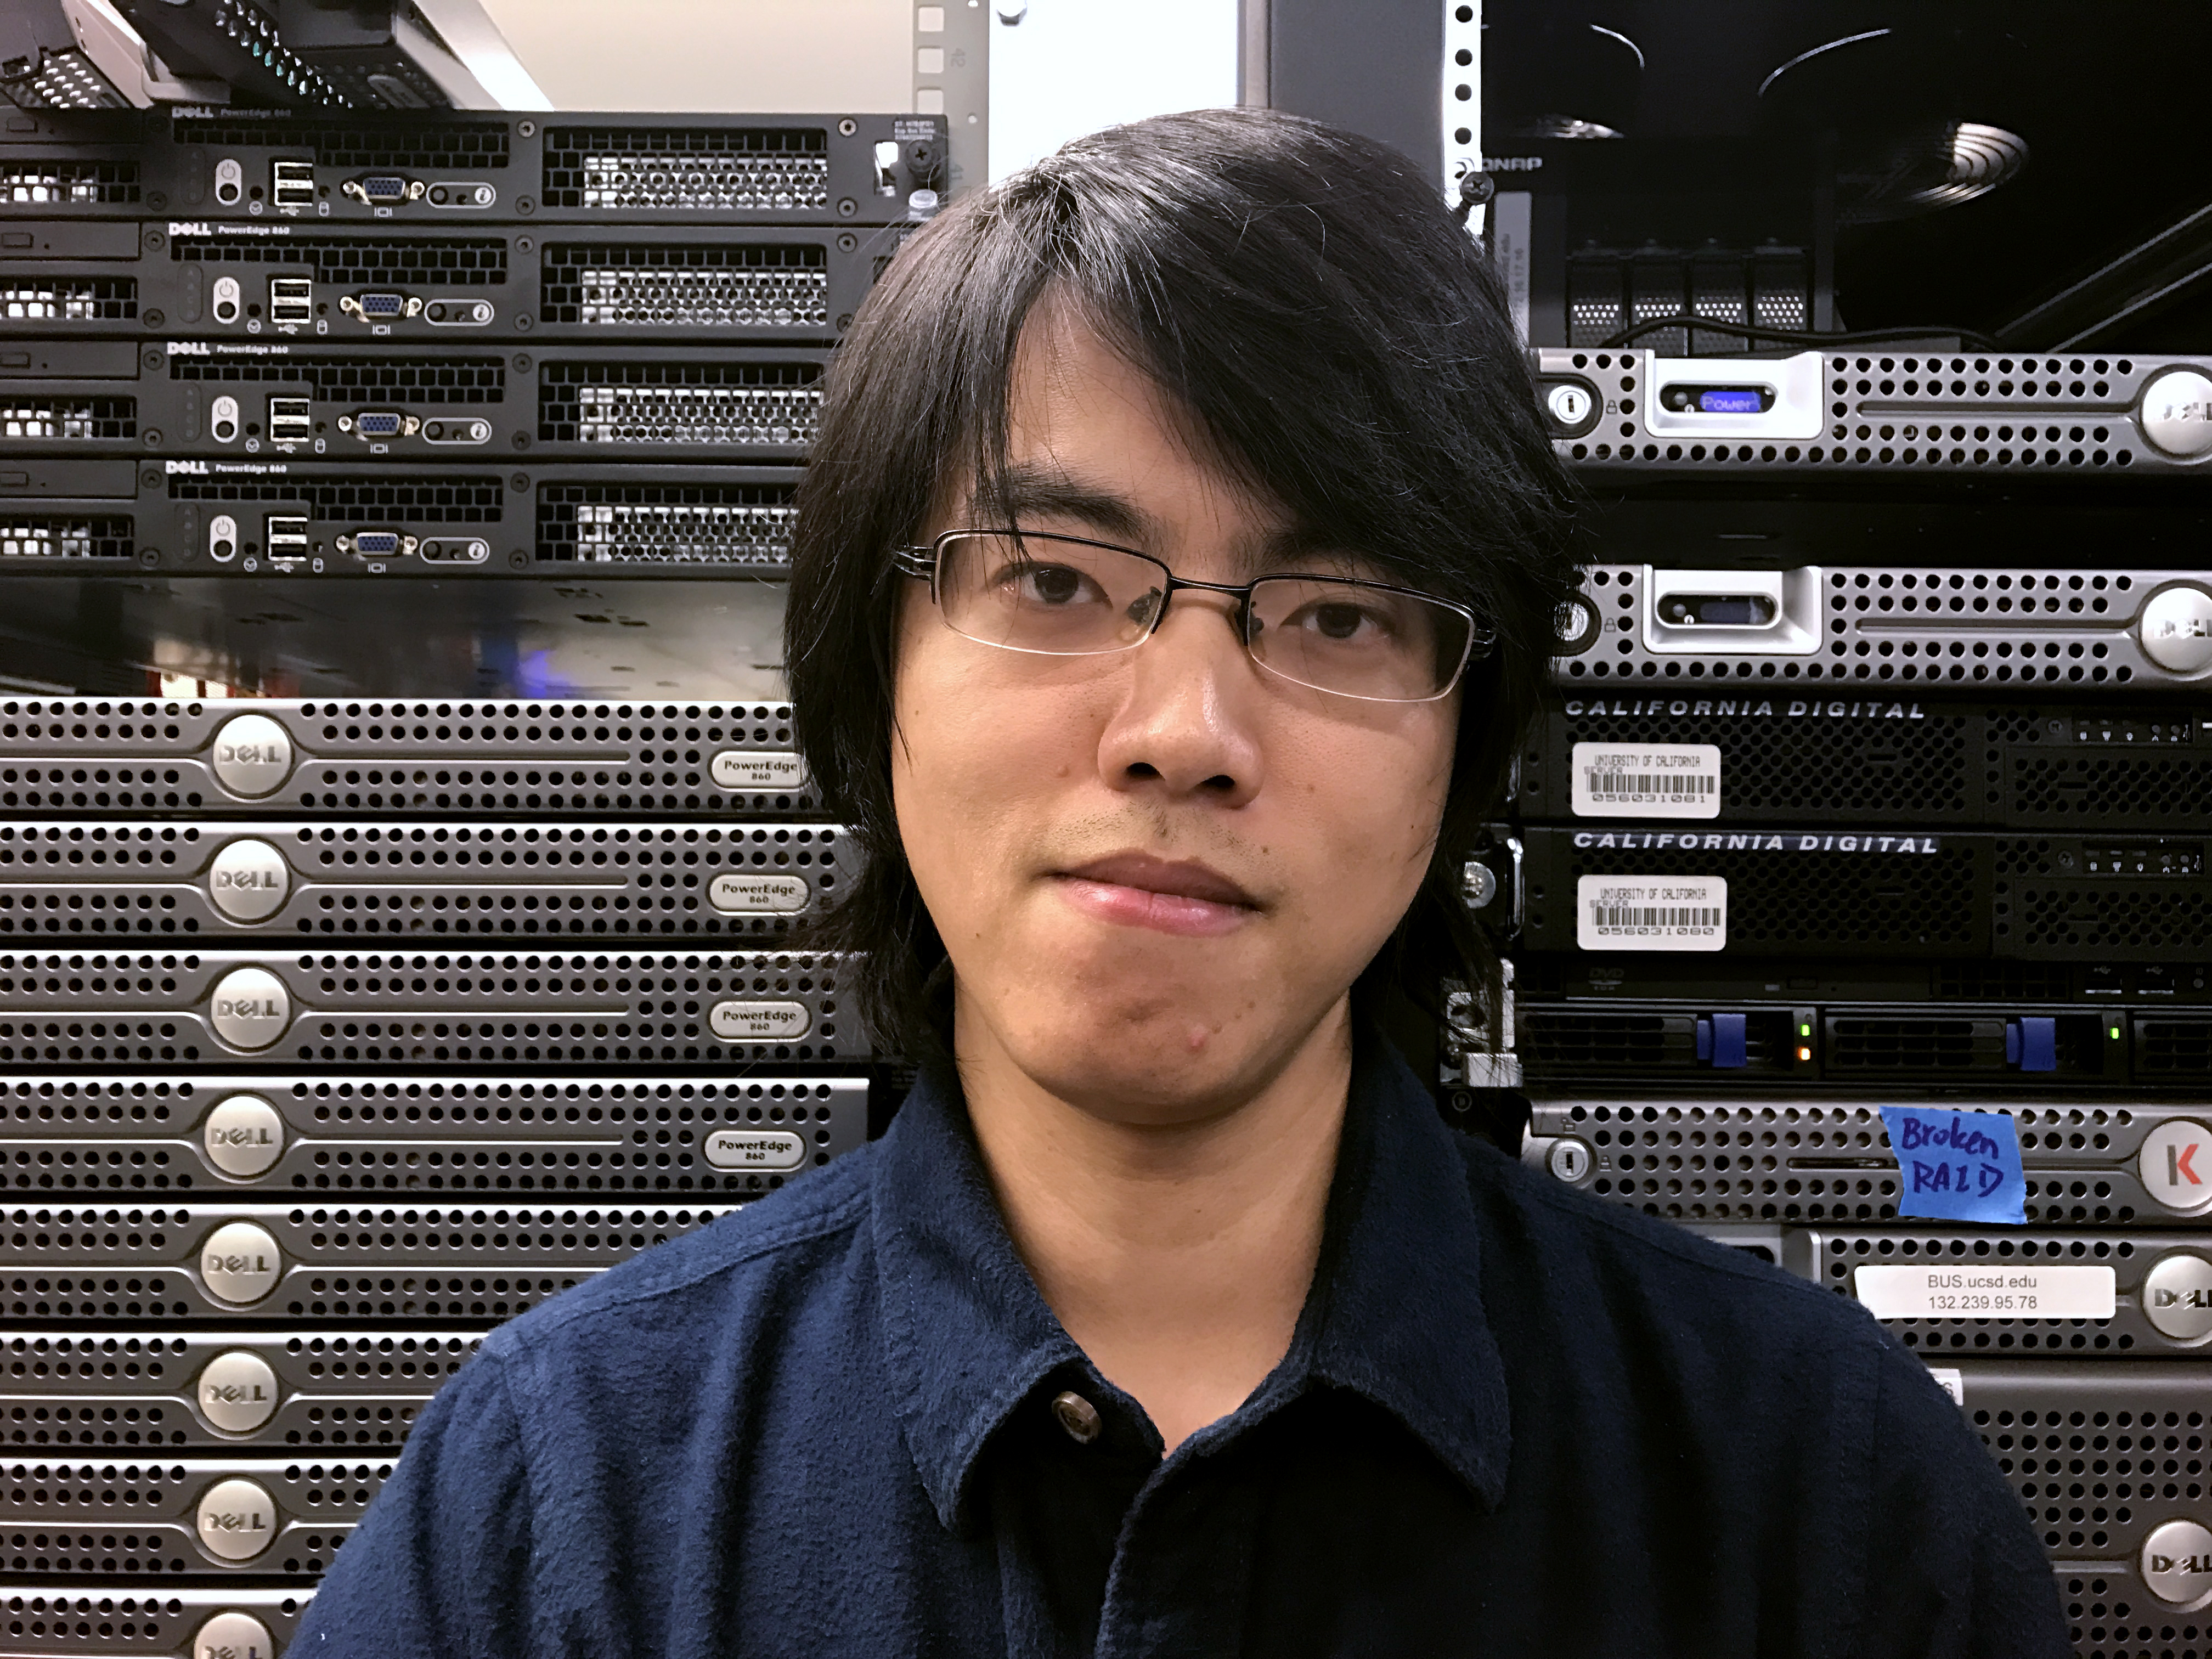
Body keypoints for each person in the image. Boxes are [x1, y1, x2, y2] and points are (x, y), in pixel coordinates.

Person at [292, 108, 2067, 1657]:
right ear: (872, 668)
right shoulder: (553, 1503)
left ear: (1469, 745)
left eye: (1340, 614)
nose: (1186, 730)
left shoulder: (1826, 1492)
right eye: (1056, 581)